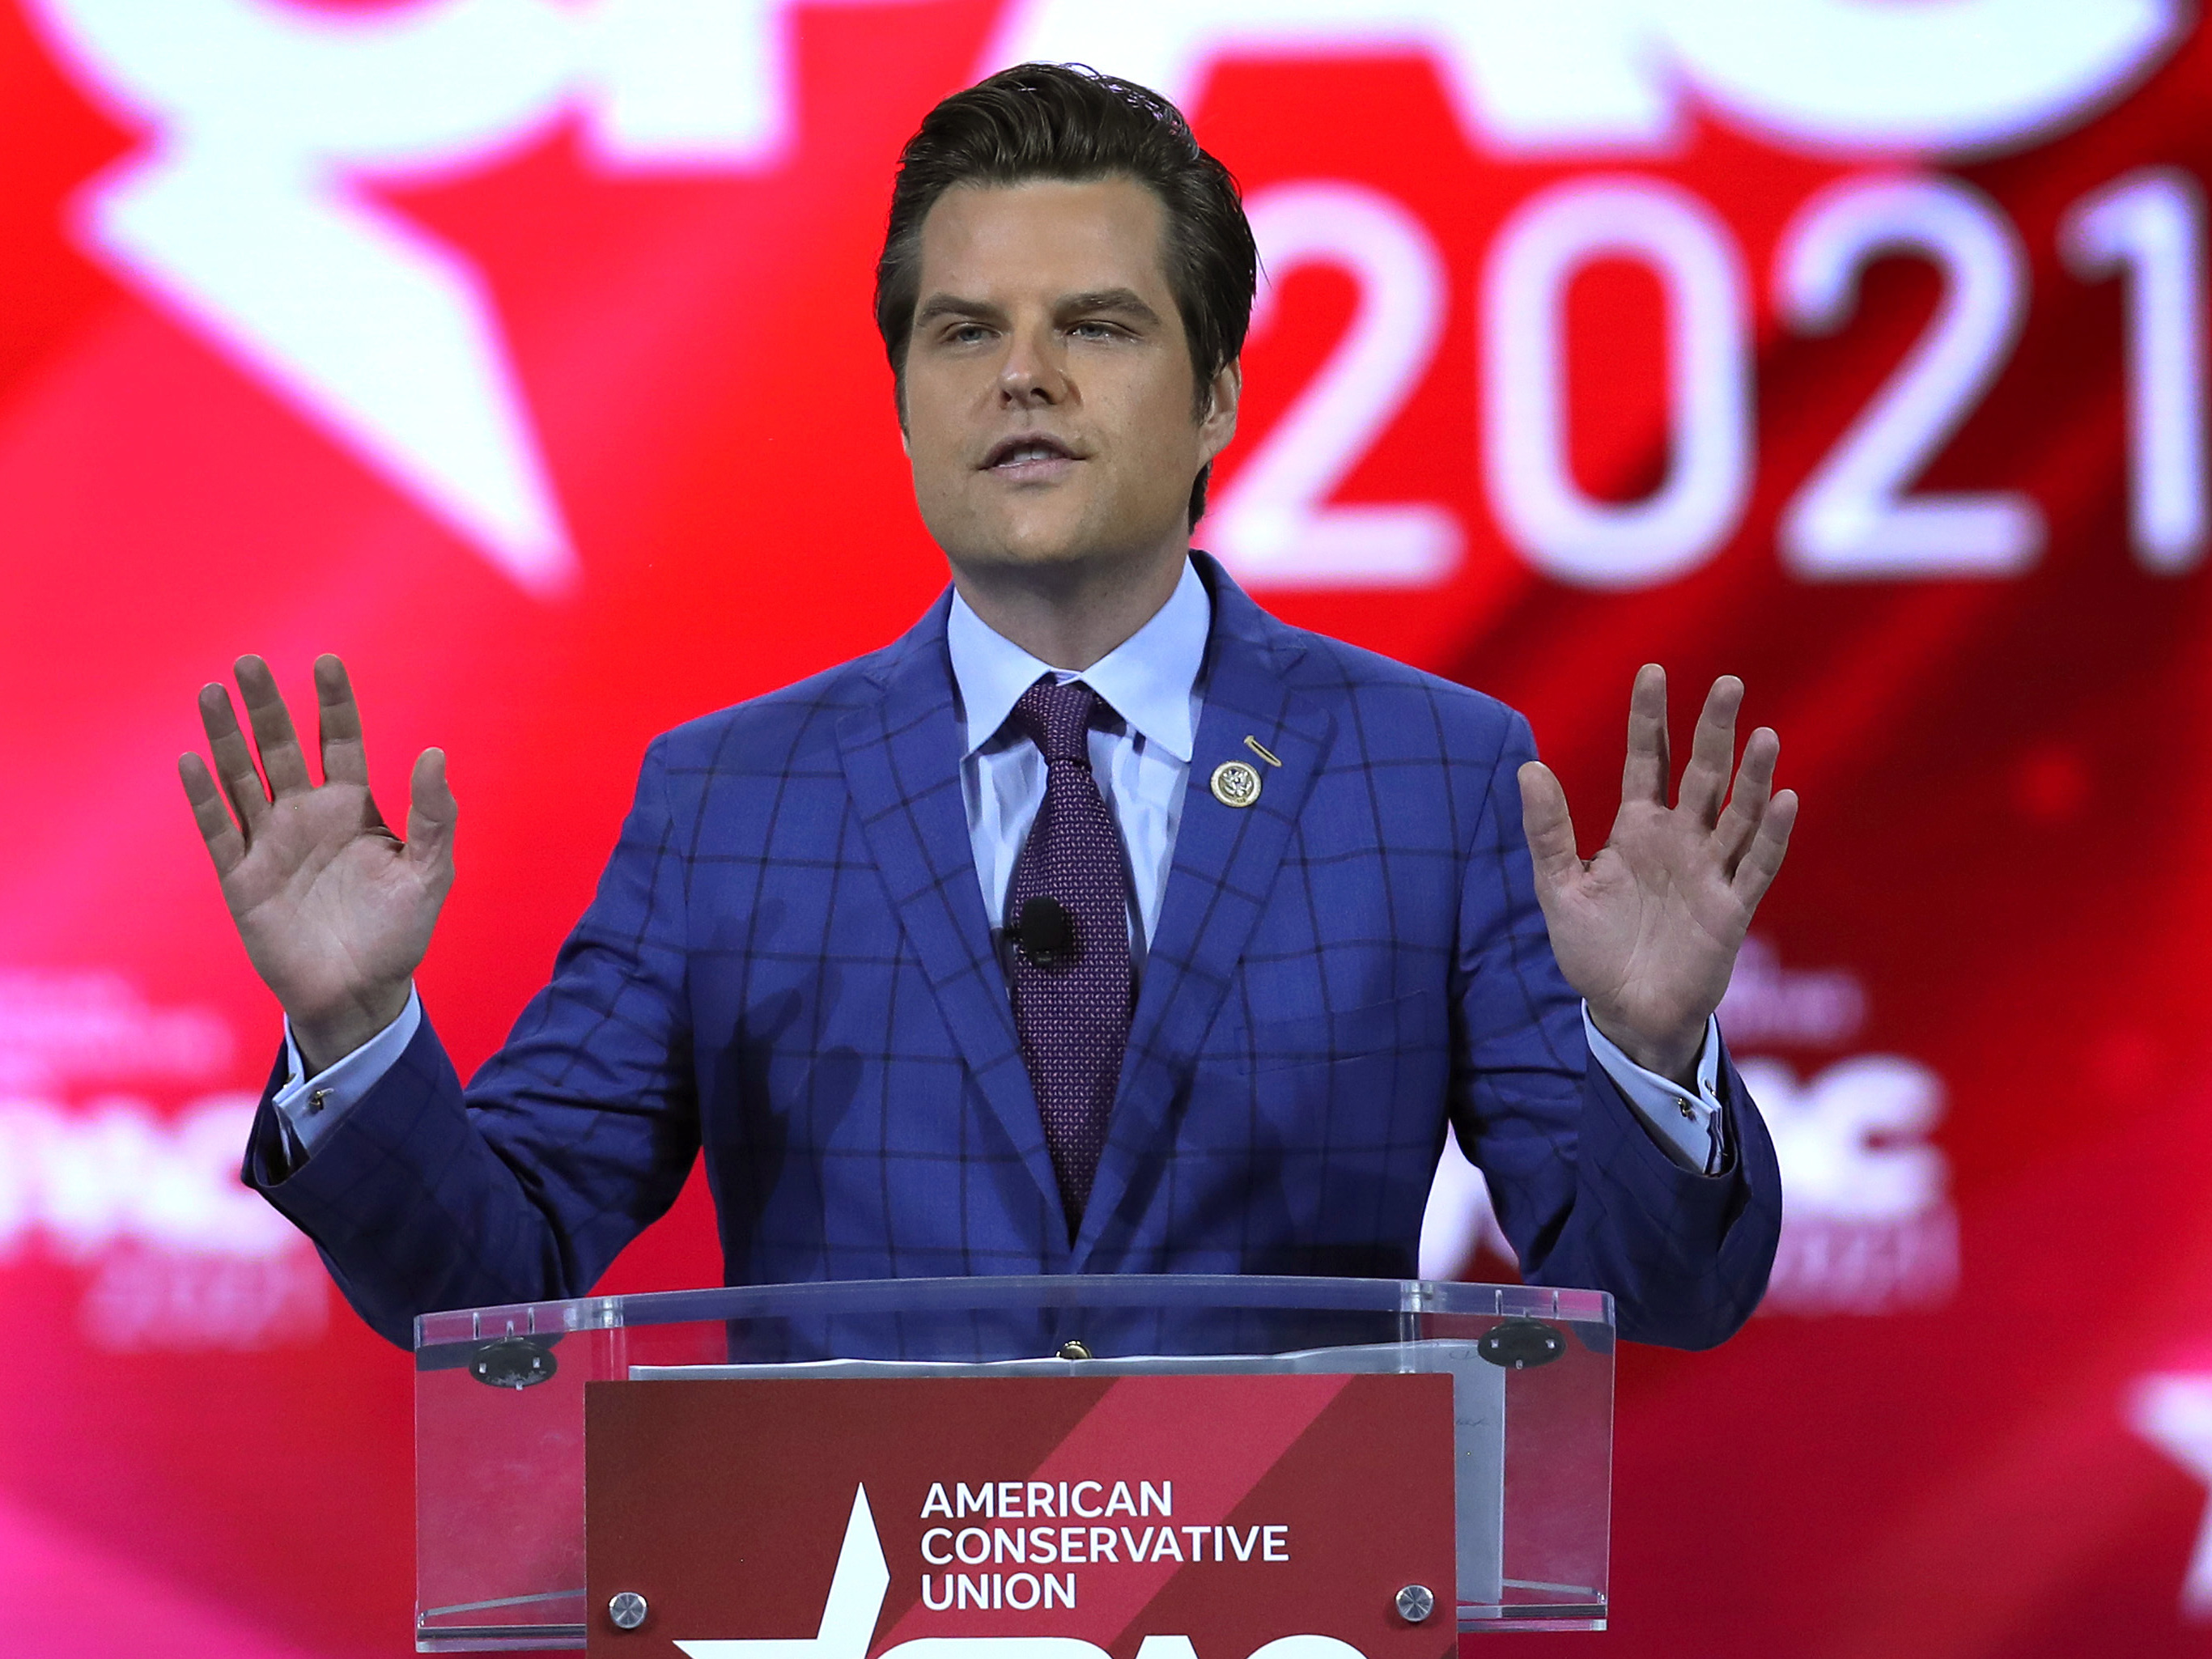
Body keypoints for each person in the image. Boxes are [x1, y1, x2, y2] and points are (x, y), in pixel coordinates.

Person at [180, 64, 1794, 1352]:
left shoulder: (1425, 776)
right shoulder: (728, 800)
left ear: (1216, 390)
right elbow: (486, 1274)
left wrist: (1648, 1046)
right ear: (902, 405)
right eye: (963, 333)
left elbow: (1656, 1290)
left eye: (1092, 325)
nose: (1021, 376)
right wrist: (353, 1030)